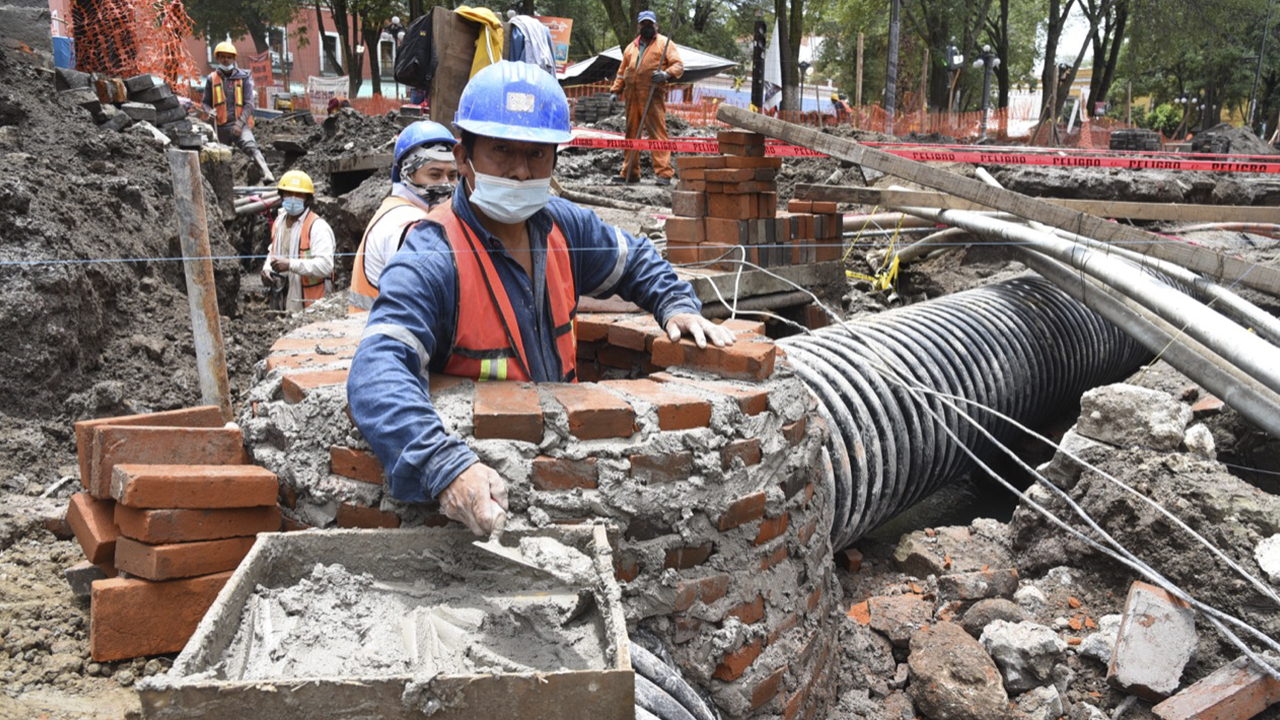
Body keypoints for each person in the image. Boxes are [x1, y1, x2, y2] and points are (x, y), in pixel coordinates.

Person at [347, 60, 733, 536]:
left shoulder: (561, 226)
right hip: (491, 507)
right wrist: (443, 465)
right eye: (501, 151)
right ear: (464, 156)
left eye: (537, 154)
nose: (519, 171)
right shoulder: (433, 255)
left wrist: (674, 302)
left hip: (571, 482)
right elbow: (377, 371)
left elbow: (635, 258)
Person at [349, 120, 459, 312]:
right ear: (407, 175)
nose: (446, 184)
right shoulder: (409, 224)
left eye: (452, 176)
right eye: (434, 175)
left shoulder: (395, 209)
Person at [609, 10, 683, 186]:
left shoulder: (664, 44)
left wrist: (666, 74)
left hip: (652, 95)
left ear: (656, 26)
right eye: (644, 24)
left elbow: (678, 65)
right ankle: (630, 172)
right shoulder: (630, 47)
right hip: (632, 97)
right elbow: (621, 73)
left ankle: (664, 173)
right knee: (631, 134)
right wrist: (615, 91)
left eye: (650, 24)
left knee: (657, 133)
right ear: (639, 26)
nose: (647, 27)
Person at [261, 171, 335, 312]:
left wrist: (290, 264)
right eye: (289, 193)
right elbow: (273, 250)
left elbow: (326, 266)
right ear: (282, 195)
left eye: (299, 194)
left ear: (307, 198)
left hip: (312, 306)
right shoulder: (279, 222)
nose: (293, 198)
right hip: (282, 297)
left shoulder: (317, 227)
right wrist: (267, 268)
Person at [202, 41, 274, 182]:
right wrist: (209, 111)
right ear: (217, 58)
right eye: (223, 57)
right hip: (220, 126)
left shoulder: (244, 77)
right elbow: (205, 103)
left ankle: (266, 173)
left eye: (229, 57)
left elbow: (249, 104)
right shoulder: (212, 79)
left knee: (250, 146)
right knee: (221, 157)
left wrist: (239, 124)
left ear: (234, 59)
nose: (226, 60)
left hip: (239, 124)